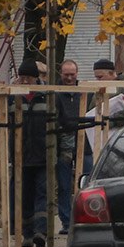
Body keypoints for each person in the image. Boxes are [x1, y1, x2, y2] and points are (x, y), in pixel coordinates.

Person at [15, 58, 48, 247]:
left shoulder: (47, 96)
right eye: (22, 77)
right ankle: (27, 234)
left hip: (43, 155)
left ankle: (40, 232)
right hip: (21, 155)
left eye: (29, 77)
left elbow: (61, 124)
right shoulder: (13, 97)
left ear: (36, 78)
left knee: (42, 194)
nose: (25, 81)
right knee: (24, 195)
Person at [85, 57, 124, 173]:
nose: (98, 81)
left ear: (112, 74)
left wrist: (111, 121)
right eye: (96, 78)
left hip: (120, 139)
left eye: (100, 77)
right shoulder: (97, 91)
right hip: (99, 142)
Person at [53, 58, 80, 235]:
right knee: (64, 185)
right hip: (63, 145)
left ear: (77, 74)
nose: (69, 78)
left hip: (85, 144)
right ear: (60, 74)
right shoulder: (55, 93)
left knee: (84, 183)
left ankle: (81, 220)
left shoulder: (85, 92)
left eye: (72, 74)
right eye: (66, 75)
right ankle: (66, 222)